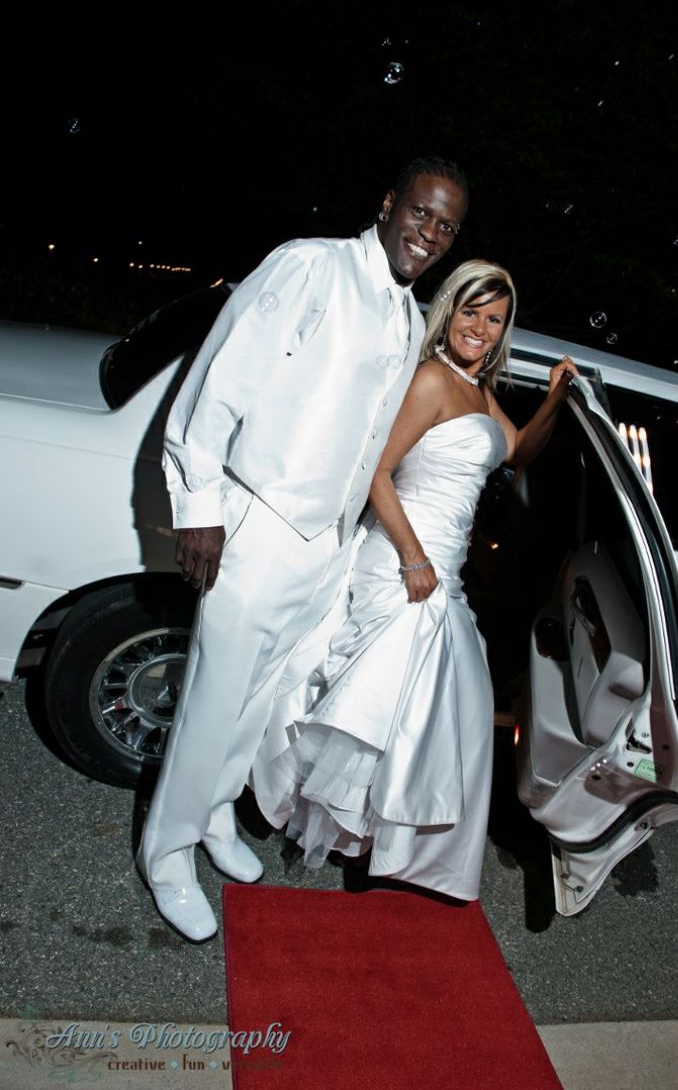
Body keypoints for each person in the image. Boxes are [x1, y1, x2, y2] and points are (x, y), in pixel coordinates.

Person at [137, 157, 470, 939]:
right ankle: (167, 851)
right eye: (421, 212)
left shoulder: (406, 315)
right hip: (261, 522)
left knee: (256, 703)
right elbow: (220, 379)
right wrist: (200, 507)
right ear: (388, 203)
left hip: (325, 544)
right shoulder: (311, 266)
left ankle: (214, 813)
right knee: (213, 698)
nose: (429, 233)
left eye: (446, 226)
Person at [251, 260, 577, 900]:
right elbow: (375, 469)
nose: (480, 327)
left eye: (494, 318)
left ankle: (386, 840)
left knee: (429, 707)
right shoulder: (431, 379)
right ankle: (351, 829)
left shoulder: (477, 391)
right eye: (470, 311)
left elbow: (517, 451)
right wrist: (412, 557)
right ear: (448, 312)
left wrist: (555, 399)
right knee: (386, 700)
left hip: (442, 567)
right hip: (405, 559)